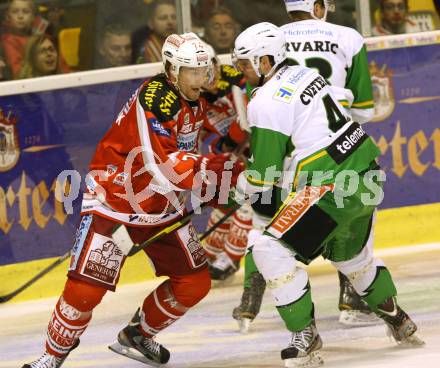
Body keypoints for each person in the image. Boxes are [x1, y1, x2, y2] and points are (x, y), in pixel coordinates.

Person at [21, 32, 242, 368]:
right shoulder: (156, 99)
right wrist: (233, 172)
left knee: (195, 283)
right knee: (84, 293)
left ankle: (138, 336)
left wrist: (243, 149)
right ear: (171, 69)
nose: (201, 80)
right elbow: (165, 166)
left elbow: (220, 137)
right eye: (193, 72)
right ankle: (49, 358)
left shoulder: (193, 95)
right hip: (118, 198)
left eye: (204, 72)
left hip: (161, 204)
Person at [231, 21, 424, 367]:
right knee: (354, 261)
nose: (241, 71)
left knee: (268, 247)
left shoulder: (265, 101)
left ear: (264, 61)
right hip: (366, 176)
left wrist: (234, 190)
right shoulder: (306, 75)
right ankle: (399, 320)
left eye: (245, 63)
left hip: (329, 184)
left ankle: (304, 334)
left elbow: (263, 179)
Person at [233, 0, 379, 333]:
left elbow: (253, 92)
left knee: (265, 216)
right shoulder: (348, 37)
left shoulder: (268, 38)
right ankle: (352, 296)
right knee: (351, 214)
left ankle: (250, 298)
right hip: (327, 148)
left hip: (277, 138)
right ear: (317, 5)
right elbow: (364, 110)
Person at [1, 0, 49, 78]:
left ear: (33, 17)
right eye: (15, 12)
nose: (20, 16)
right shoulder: (8, 41)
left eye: (26, 12)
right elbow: (18, 73)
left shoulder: (43, 38)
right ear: (8, 16)